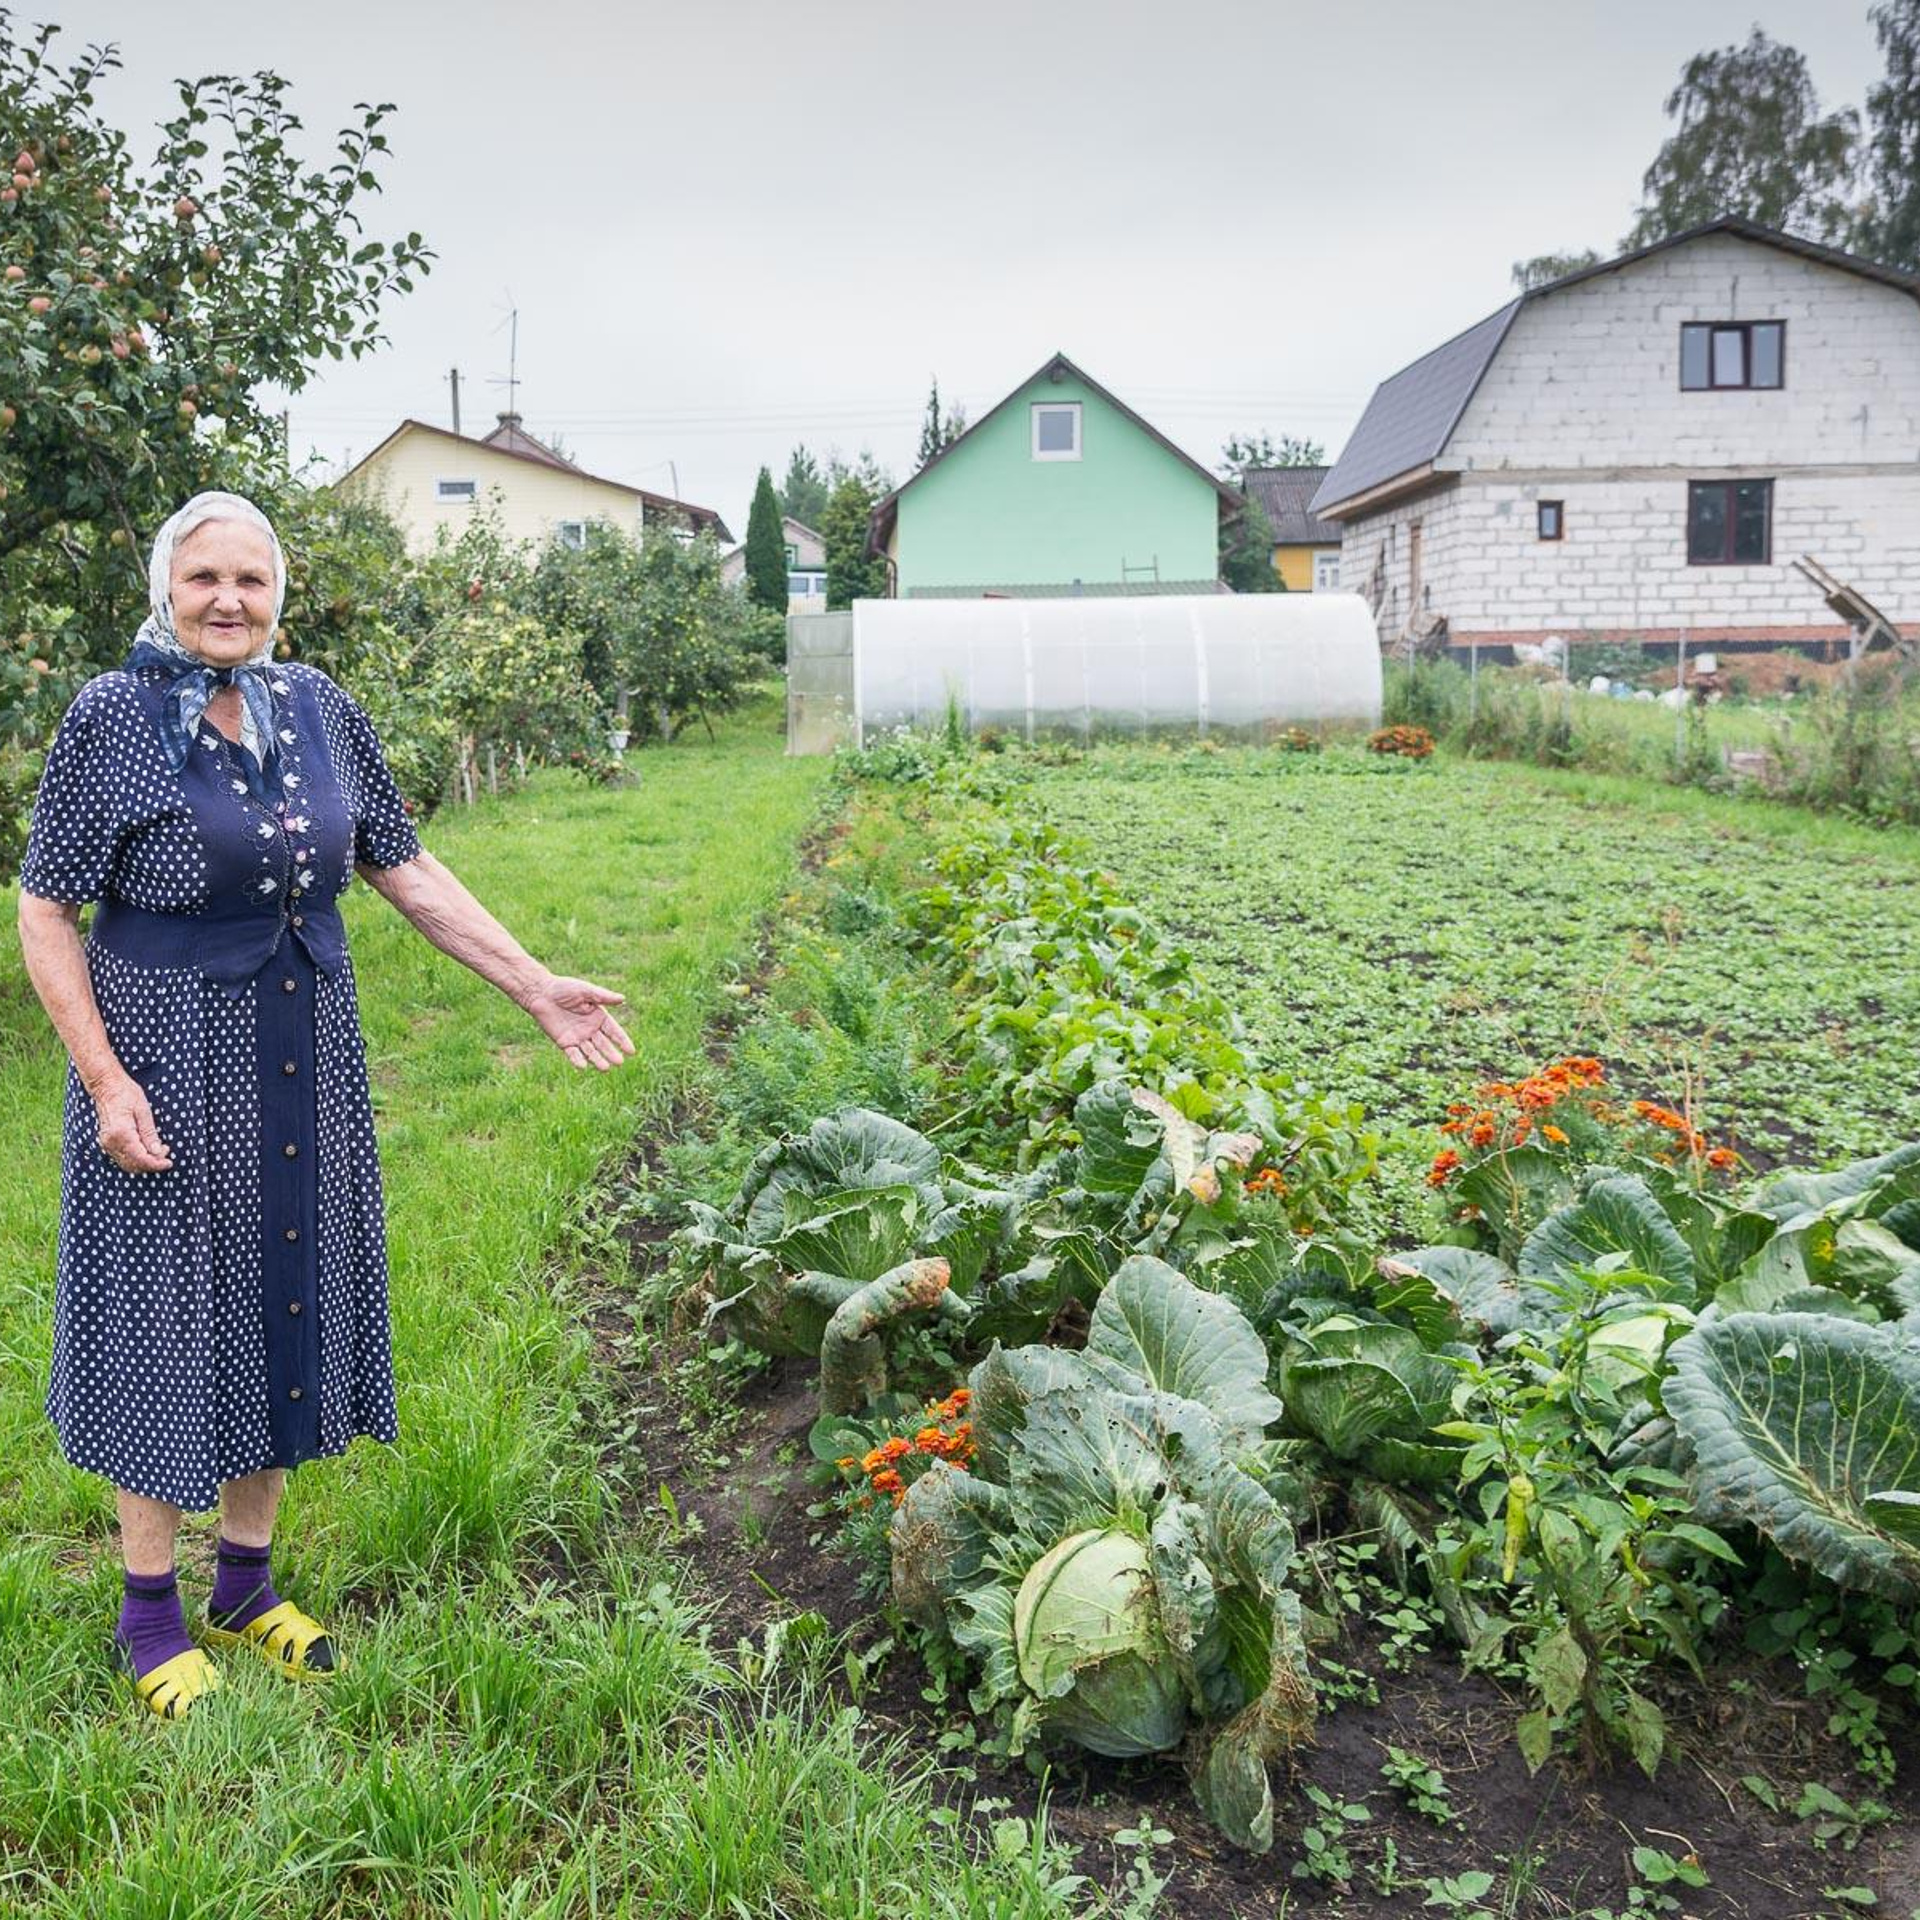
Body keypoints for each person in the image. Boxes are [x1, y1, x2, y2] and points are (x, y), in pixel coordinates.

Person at [16, 492, 634, 1719]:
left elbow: (400, 861)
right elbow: (46, 907)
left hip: (303, 1048)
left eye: (251, 578)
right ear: (166, 588)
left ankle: (244, 1589)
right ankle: (150, 1613)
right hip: (166, 1057)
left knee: (279, 1295)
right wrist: (104, 1077)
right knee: (163, 1314)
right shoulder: (112, 716)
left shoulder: (318, 707)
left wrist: (531, 986)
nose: (230, 601)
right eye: (205, 580)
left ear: (277, 594)